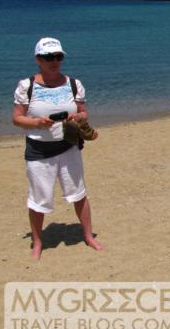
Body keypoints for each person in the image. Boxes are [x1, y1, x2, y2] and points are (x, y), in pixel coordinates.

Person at [12, 37, 103, 260]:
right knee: (39, 198)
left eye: (58, 57)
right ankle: (38, 242)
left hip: (69, 146)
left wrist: (77, 116)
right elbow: (17, 119)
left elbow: (84, 113)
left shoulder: (73, 84)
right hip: (39, 151)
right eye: (48, 57)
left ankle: (88, 236)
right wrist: (37, 123)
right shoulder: (27, 86)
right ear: (38, 59)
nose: (54, 61)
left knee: (79, 193)